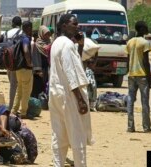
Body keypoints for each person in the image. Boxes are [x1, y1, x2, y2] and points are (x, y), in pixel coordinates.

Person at [49, 14, 94, 167]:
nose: (77, 27)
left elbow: (75, 64)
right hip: (69, 96)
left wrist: (80, 45)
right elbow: (70, 73)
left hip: (56, 94)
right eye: (74, 24)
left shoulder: (57, 43)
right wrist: (80, 100)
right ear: (63, 26)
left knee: (59, 135)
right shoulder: (67, 44)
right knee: (77, 136)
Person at [125, 21, 151, 133]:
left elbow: (128, 60)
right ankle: (146, 127)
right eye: (146, 27)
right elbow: (146, 62)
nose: (147, 29)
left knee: (131, 100)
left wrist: (129, 71)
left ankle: (130, 127)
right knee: (145, 101)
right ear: (142, 29)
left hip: (131, 75)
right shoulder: (145, 43)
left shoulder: (130, 42)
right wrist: (150, 79)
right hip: (142, 75)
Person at [0, 16, 22, 111]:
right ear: (21, 24)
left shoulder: (6, 33)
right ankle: (11, 106)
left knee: (13, 83)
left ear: (12, 24)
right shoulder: (21, 33)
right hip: (17, 63)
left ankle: (13, 105)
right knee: (16, 84)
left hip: (7, 62)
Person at [11, 21, 34, 119]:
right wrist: (29, 63)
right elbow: (25, 50)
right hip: (25, 68)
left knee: (19, 90)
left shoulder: (18, 38)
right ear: (28, 28)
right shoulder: (25, 38)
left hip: (18, 68)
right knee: (26, 91)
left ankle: (14, 110)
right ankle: (23, 112)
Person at [31, 25, 51, 98]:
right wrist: (38, 70)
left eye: (48, 34)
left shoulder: (49, 43)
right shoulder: (37, 45)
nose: (47, 36)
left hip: (47, 67)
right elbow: (35, 57)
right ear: (41, 34)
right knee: (39, 85)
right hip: (40, 68)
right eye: (46, 34)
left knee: (46, 84)